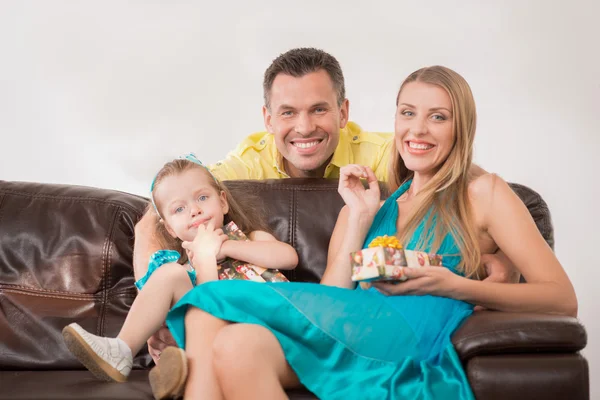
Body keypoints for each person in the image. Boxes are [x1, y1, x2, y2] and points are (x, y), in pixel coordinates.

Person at [151, 66, 577, 399]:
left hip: (407, 337)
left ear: (460, 127)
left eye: (438, 117)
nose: (418, 129)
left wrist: (460, 286)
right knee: (235, 348)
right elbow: (336, 294)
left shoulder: (483, 192)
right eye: (408, 113)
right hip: (351, 328)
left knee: (207, 299)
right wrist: (357, 218)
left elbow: (561, 298)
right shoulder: (374, 205)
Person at [61, 154, 298, 384]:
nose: (194, 210)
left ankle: (188, 375)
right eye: (179, 209)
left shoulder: (249, 238)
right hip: (217, 337)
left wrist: (226, 248)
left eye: (203, 198)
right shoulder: (185, 271)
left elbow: (288, 257)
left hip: (270, 334)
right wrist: (203, 259)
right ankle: (122, 349)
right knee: (169, 274)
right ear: (171, 229)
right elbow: (209, 317)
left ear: (223, 202)